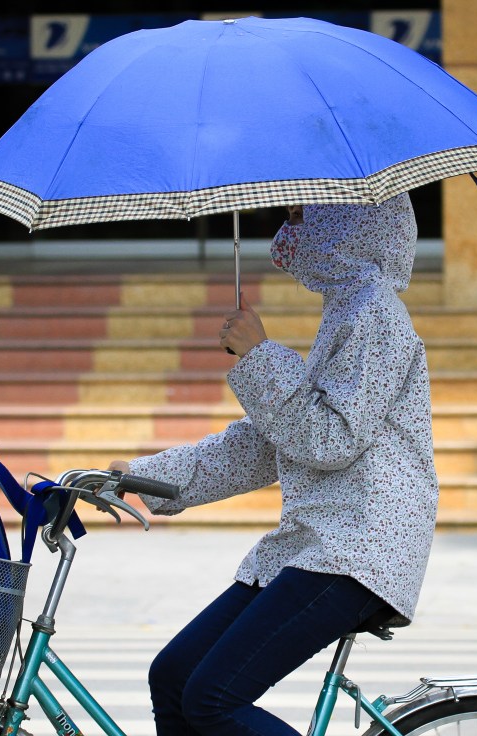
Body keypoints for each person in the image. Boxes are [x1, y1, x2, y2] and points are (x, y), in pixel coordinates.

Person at [107, 192, 439, 736]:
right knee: (174, 676)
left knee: (213, 699)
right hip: (319, 543)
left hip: (358, 548)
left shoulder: (375, 313)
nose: (288, 231)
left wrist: (261, 354)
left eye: (300, 215)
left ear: (349, 221)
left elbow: (331, 438)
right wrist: (150, 475)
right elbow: (270, 442)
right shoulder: (347, 309)